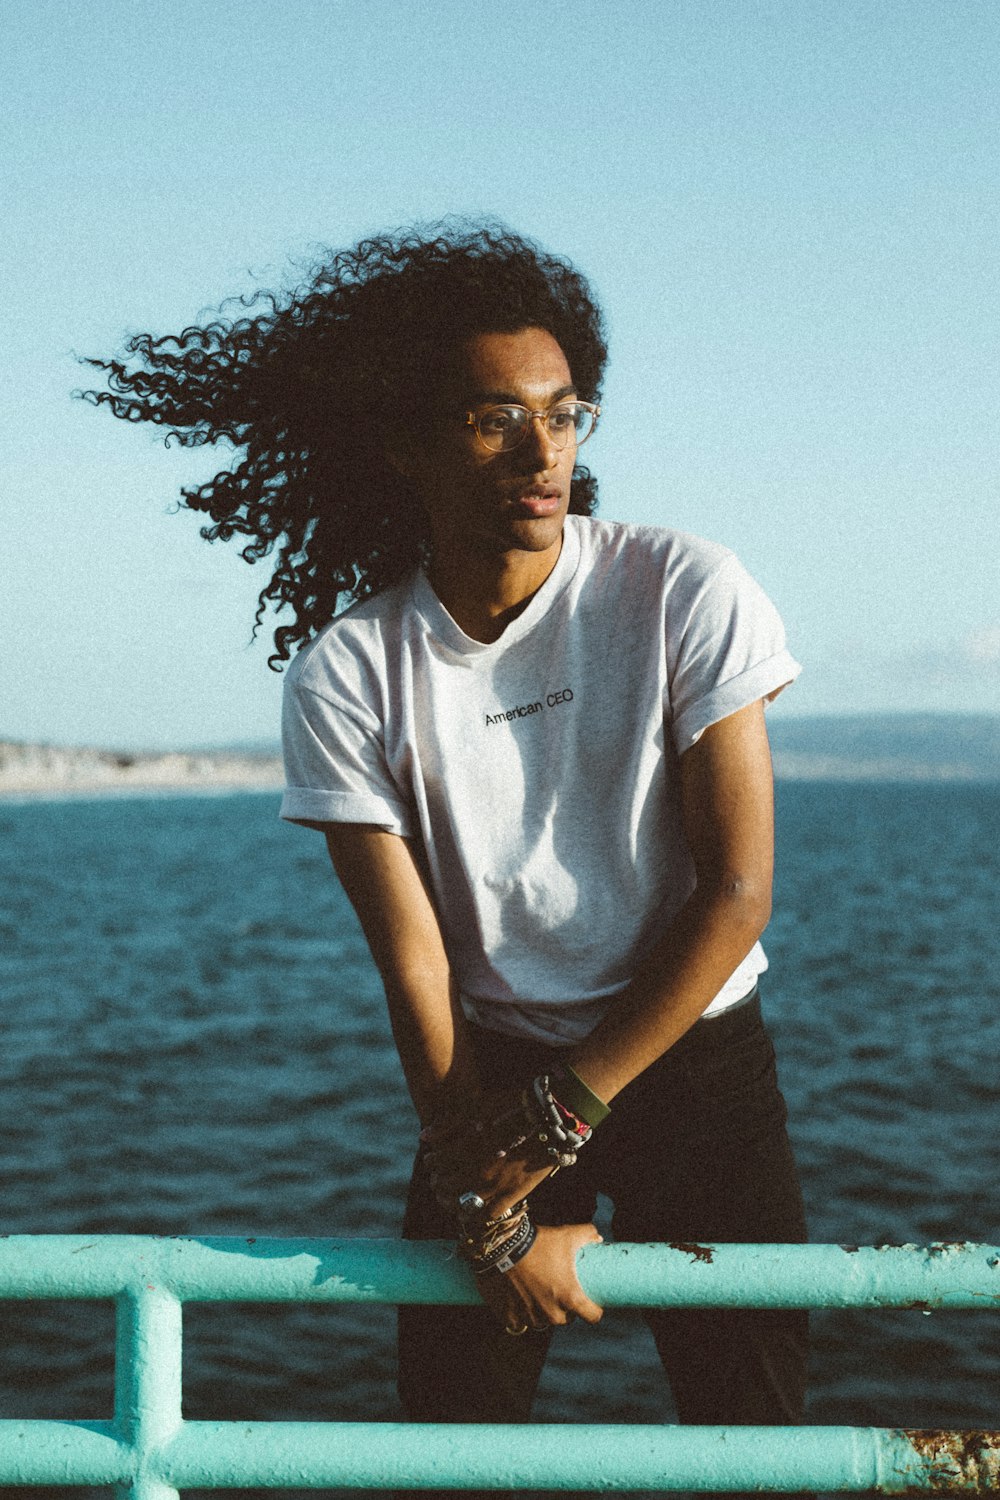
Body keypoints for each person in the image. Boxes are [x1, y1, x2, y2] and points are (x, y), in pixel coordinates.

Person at [83, 221, 808, 1444]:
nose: (542, 453)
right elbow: (414, 963)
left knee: (756, 1427)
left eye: (564, 413)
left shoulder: (682, 587)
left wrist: (562, 1120)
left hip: (698, 1060)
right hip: (488, 1074)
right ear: (405, 444)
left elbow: (735, 890)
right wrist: (490, 1203)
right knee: (450, 1435)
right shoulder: (350, 671)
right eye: (491, 418)